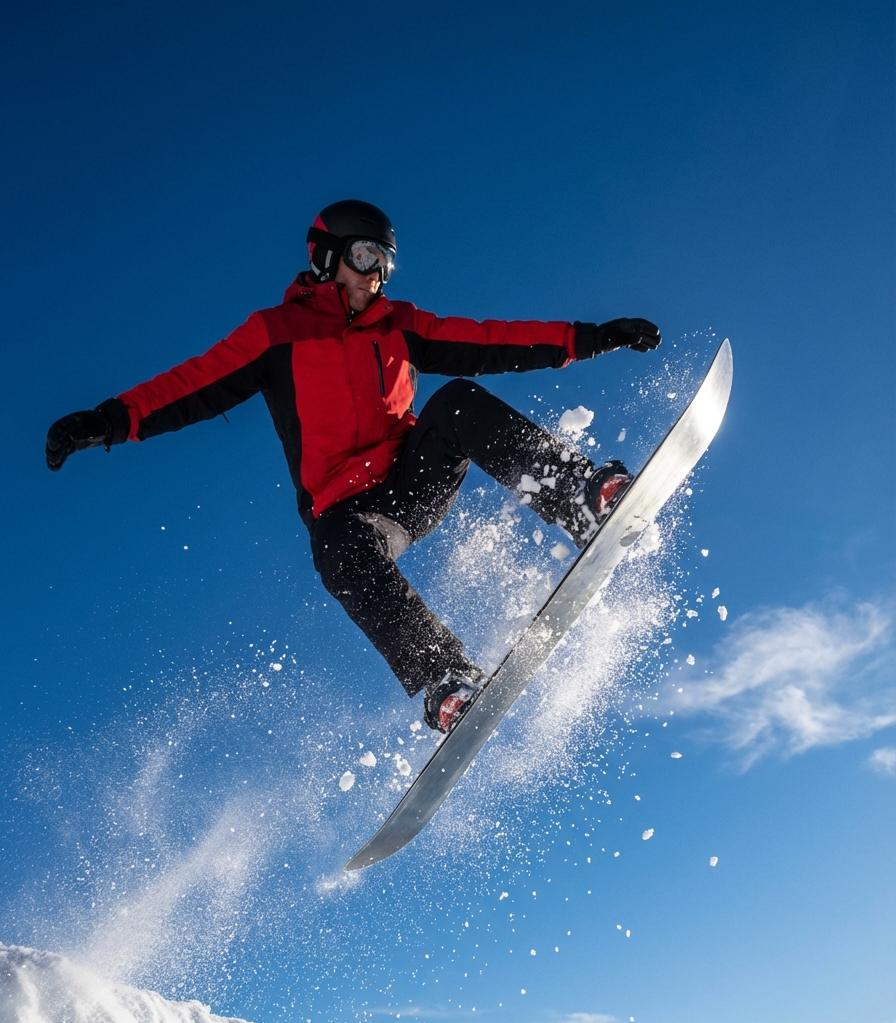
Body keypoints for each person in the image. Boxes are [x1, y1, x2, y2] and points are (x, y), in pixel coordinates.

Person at [46, 200, 661, 734]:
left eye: (386, 263)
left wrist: (588, 337)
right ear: (326, 256)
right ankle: (444, 678)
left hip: (410, 480)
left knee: (456, 400)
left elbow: (490, 338)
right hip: (352, 516)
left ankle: (581, 496)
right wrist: (107, 420)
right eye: (366, 256)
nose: (377, 275)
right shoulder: (275, 334)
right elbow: (192, 385)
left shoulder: (398, 324)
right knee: (332, 545)